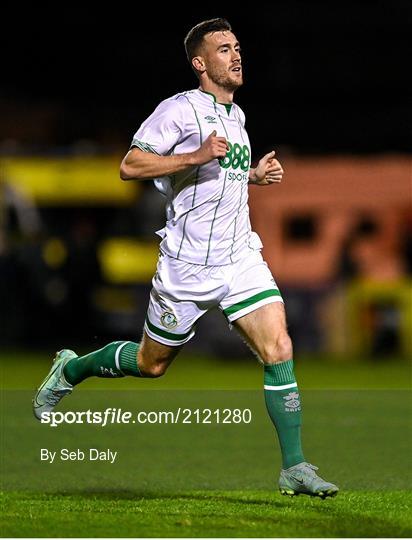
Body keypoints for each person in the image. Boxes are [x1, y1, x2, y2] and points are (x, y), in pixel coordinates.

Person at [33, 18, 338, 499]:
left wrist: (252, 175)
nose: (235, 55)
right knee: (152, 364)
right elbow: (129, 165)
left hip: (239, 257)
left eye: (237, 47)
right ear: (200, 63)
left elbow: (220, 180)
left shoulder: (236, 119)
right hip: (187, 266)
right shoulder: (176, 110)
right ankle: (72, 369)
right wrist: (193, 156)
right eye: (223, 49)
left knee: (279, 348)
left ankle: (295, 466)